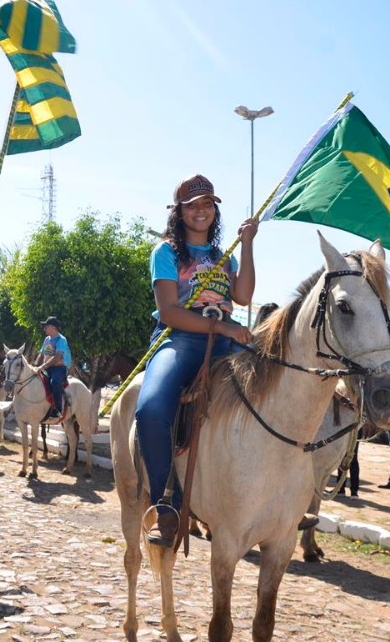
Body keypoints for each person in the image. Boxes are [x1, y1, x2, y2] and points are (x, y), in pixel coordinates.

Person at [135, 174, 260, 547]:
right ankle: (165, 505)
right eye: (192, 206)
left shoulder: (225, 255)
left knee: (277, 387)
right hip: (181, 338)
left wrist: (248, 244)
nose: (201, 211)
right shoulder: (166, 253)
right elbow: (169, 311)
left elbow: (243, 296)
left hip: (227, 339)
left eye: (208, 204)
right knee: (151, 409)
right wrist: (221, 329)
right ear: (179, 212)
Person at [34, 317, 71, 418]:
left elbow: (58, 356)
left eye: (46, 326)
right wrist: (35, 366)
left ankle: (58, 409)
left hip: (58, 369)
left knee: (54, 382)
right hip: (47, 368)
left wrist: (43, 366)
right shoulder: (47, 339)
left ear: (53, 328)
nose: (44, 329)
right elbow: (41, 354)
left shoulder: (61, 340)